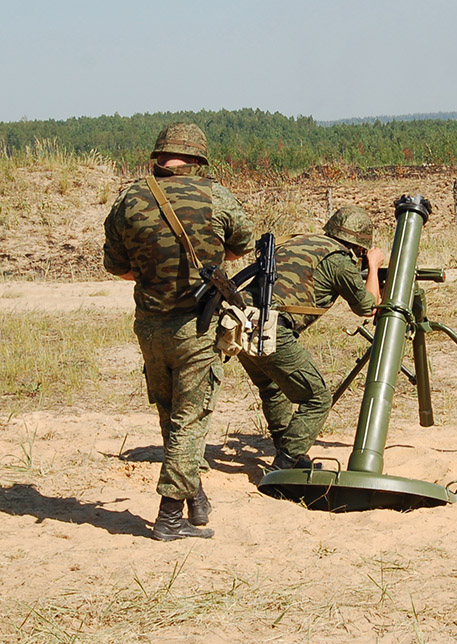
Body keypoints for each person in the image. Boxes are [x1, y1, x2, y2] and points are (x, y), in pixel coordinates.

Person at [103, 122, 254, 541]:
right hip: (197, 325)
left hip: (150, 326)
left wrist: (154, 278)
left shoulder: (129, 199)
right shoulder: (215, 195)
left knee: (170, 413)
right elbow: (242, 244)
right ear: (198, 158)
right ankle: (169, 516)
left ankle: (195, 498)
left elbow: (117, 266)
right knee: (191, 419)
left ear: (158, 156)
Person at [237, 205, 385, 471]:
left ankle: (287, 448)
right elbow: (366, 307)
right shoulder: (339, 260)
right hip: (273, 329)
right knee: (317, 398)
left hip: (240, 324)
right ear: (361, 246)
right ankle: (288, 461)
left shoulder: (299, 241)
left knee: (273, 388)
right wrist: (373, 267)